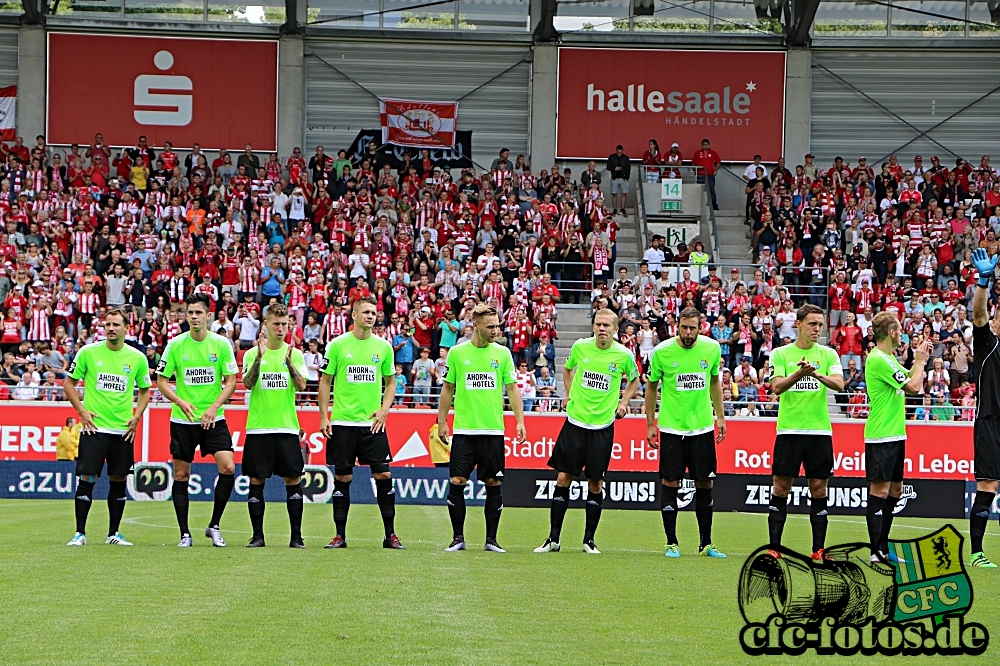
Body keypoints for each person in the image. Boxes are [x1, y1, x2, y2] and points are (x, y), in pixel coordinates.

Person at [534, 309, 639, 555]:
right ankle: (553, 540)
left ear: (615, 329)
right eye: (598, 324)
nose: (602, 329)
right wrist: (569, 394)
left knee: (596, 482)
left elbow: (634, 379)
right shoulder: (581, 347)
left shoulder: (624, 355)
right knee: (563, 478)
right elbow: (568, 370)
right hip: (575, 423)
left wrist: (623, 402)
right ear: (593, 327)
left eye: (606, 325)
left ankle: (589, 541)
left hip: (602, 427)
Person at [437, 303, 527, 553]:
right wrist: (442, 421)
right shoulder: (456, 353)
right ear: (475, 326)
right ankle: (457, 538)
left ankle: (491, 540)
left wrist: (520, 421)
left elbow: (512, 388)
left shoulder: (503, 354)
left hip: (492, 431)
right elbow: (447, 388)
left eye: (497, 326)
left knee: (493, 483)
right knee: (457, 480)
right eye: (490, 327)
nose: (495, 331)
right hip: (465, 430)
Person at [318, 296, 404, 550]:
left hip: (372, 425)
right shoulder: (337, 345)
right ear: (353, 315)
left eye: (373, 312)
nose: (370, 316)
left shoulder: (383, 347)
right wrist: (324, 416)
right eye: (365, 311)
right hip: (343, 423)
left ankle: (390, 535)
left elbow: (390, 382)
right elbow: (325, 381)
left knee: (383, 474)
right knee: (342, 477)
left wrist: (384, 410)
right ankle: (339, 536)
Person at [155, 293, 240, 548]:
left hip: (213, 419)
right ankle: (184, 534)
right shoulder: (175, 344)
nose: (193, 317)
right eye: (189, 312)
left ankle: (214, 526)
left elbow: (232, 381)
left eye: (198, 313)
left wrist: (215, 406)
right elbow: (161, 381)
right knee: (181, 474)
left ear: (208, 316)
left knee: (228, 468)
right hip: (183, 421)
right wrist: (180, 401)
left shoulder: (221, 344)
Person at [63, 308, 152, 547]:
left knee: (118, 479)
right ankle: (79, 533)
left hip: (122, 430)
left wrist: (137, 416)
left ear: (126, 328)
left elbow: (145, 390)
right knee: (87, 478)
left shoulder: (136, 358)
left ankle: (114, 533)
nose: (111, 328)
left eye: (116, 325)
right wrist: (81, 411)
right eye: (108, 324)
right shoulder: (88, 353)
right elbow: (69, 384)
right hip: (94, 428)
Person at [644, 307, 727, 559]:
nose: (688, 332)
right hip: (672, 428)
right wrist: (650, 424)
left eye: (693, 328)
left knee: (705, 483)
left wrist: (720, 417)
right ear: (676, 326)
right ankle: (672, 543)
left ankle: (706, 544)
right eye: (684, 327)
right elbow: (651, 387)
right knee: (671, 482)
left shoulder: (711, 348)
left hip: (702, 428)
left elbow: (714, 382)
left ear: (700, 327)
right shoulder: (662, 351)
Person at [766, 304, 844, 560]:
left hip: (819, 431)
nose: (817, 329)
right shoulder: (780, 354)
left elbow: (840, 385)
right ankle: (774, 548)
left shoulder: (828, 354)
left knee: (819, 489)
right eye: (812, 324)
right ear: (798, 324)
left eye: (820, 325)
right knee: (781, 488)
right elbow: (776, 387)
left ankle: (818, 550)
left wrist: (816, 373)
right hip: (789, 431)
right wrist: (799, 373)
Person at [863, 312, 930, 563]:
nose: (902, 333)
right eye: (899, 330)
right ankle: (875, 550)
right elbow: (913, 387)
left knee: (895, 489)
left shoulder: (889, 358)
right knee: (880, 490)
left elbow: (913, 381)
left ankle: (882, 545)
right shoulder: (879, 359)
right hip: (881, 434)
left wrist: (918, 359)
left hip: (895, 434)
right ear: (891, 332)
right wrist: (921, 361)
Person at [241, 303, 309, 548]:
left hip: (287, 428)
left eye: (285, 324)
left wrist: (289, 363)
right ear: (266, 325)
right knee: (256, 481)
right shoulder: (252, 354)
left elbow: (302, 386)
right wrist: (259, 357)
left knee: (293, 480)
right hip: (259, 428)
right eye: (276, 324)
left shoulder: (295, 353)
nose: (281, 329)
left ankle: (296, 537)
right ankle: (257, 536)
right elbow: (248, 383)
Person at [968, 248, 1000, 567]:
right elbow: (978, 314)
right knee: (988, 485)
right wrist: (983, 283)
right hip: (990, 422)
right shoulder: (988, 344)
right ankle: (977, 553)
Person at [606, 145, 631, 215]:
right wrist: (614, 169)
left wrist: (627, 178)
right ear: (616, 151)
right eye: (618, 152)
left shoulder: (626, 158)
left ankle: (623, 208)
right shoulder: (611, 157)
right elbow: (608, 167)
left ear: (622, 151)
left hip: (623, 178)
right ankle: (615, 209)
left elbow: (628, 168)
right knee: (614, 194)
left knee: (624, 194)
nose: (619, 153)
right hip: (615, 178)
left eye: (620, 152)